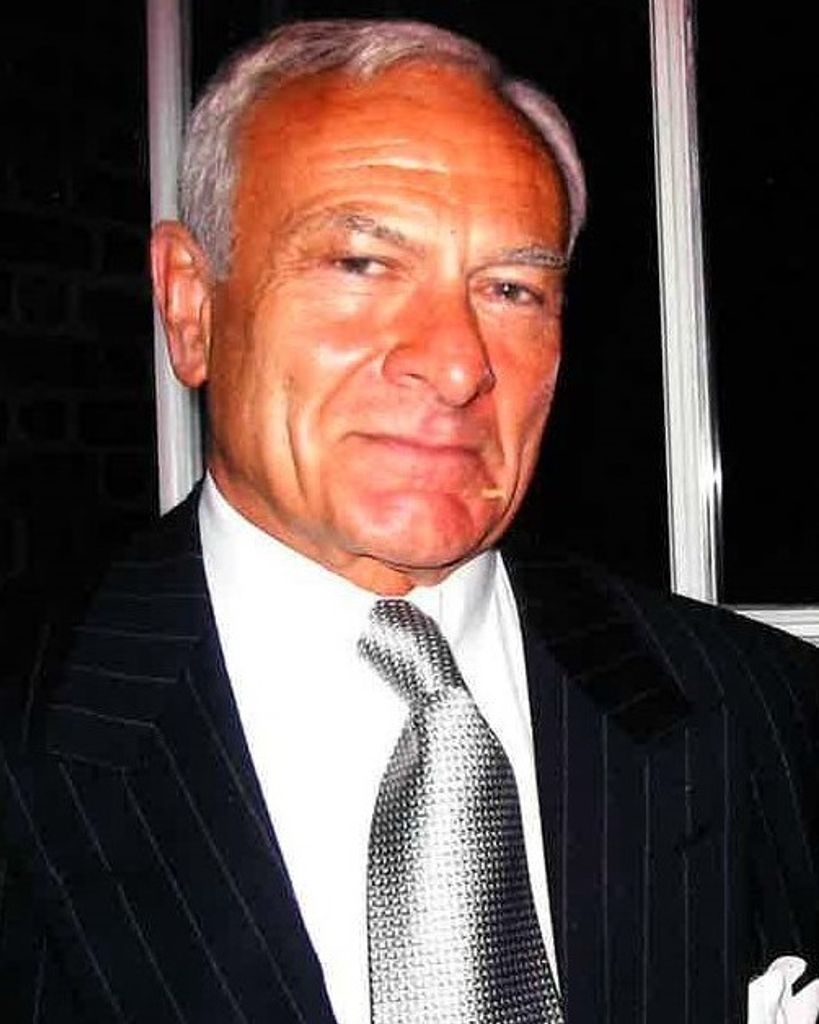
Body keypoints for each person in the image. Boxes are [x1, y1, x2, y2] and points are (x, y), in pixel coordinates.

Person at [1, 19, 817, 1024]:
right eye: (360, 263)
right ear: (190, 305)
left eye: (511, 288)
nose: (459, 361)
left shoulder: (769, 712)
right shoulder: (32, 729)